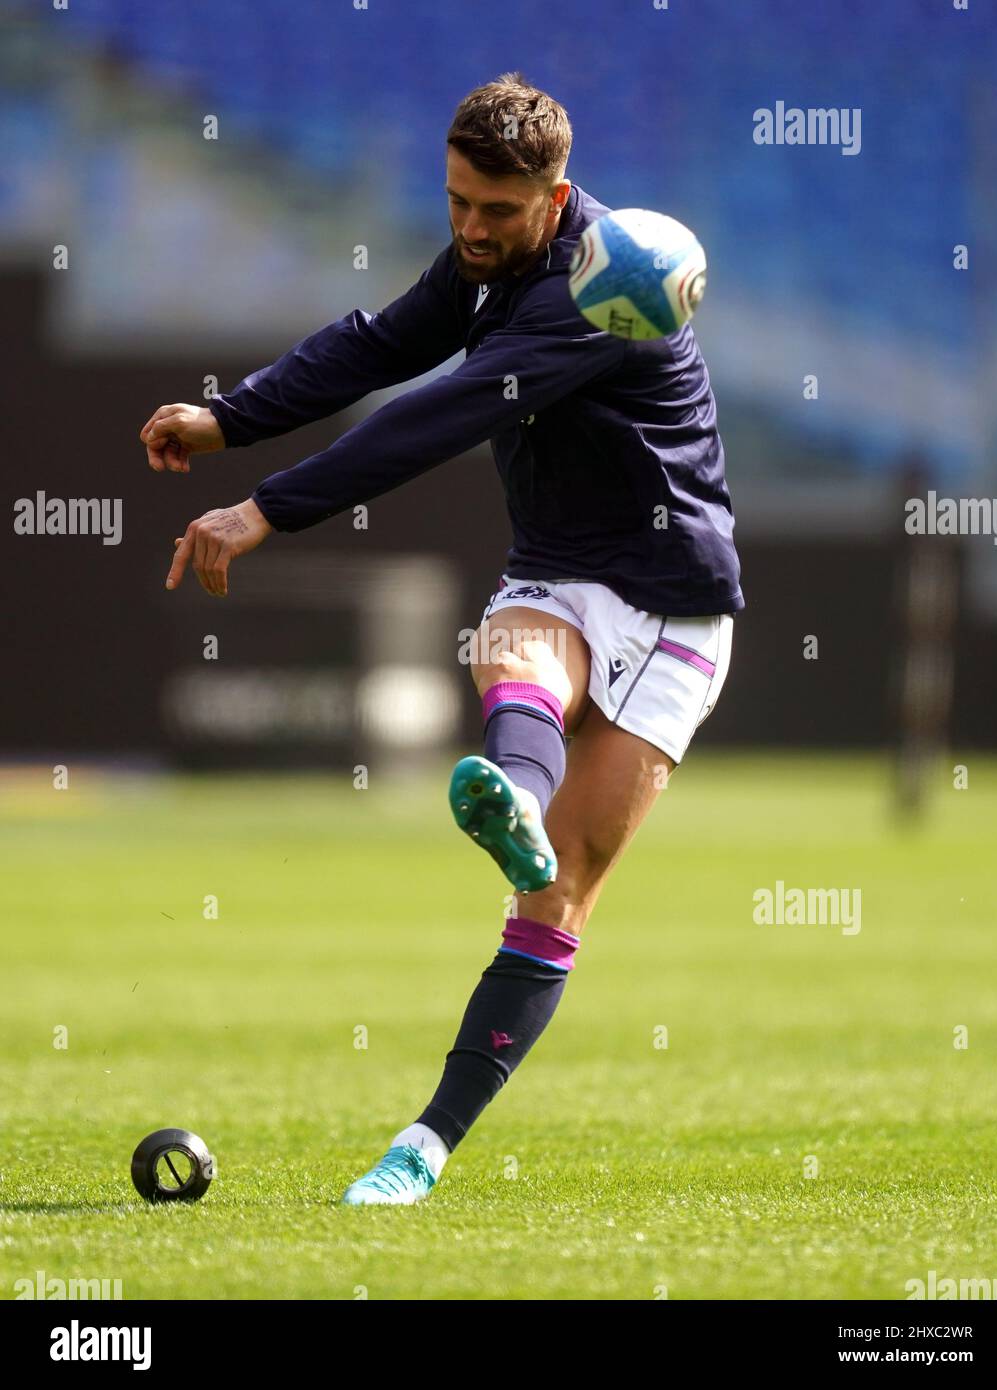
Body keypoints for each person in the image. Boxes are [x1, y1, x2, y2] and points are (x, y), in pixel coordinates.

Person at [140, 72, 742, 1205]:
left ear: (556, 198)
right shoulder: (484, 256)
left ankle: (426, 1144)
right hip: (560, 569)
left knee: (556, 896)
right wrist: (231, 416)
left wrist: (262, 506)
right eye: (458, 201)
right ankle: (512, 794)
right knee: (510, 643)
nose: (471, 227)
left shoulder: (593, 289)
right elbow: (380, 344)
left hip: (672, 601)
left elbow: (440, 410)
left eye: (497, 211)